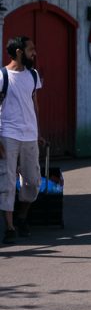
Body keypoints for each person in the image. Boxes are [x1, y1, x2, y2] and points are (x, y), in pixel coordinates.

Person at [0, 36, 43, 244]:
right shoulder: (2, 76)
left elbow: (34, 104)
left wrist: (39, 132)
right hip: (8, 134)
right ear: (18, 52)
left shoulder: (33, 75)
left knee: (33, 182)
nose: (34, 53)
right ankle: (9, 227)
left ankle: (22, 216)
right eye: (31, 49)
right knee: (7, 181)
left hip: (30, 136)